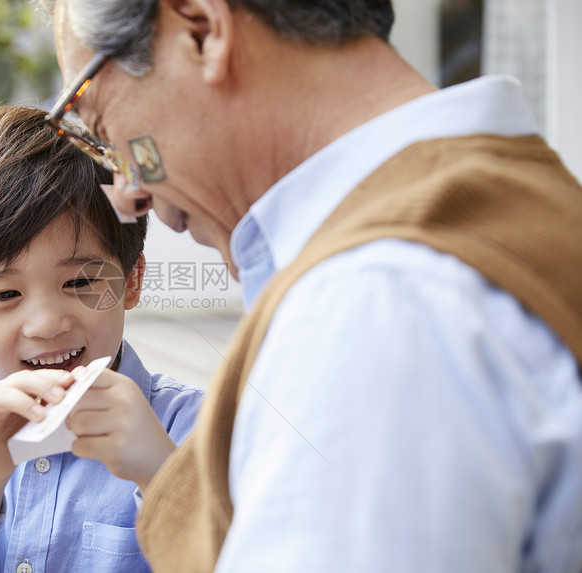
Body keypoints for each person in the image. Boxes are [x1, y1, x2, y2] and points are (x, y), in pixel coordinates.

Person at [40, 0, 582, 571]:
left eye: (100, 125)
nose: (128, 194)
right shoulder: (517, 209)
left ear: (201, 31)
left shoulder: (374, 300)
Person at [0, 105, 203, 572]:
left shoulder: (187, 426)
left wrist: (162, 474)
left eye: (80, 282)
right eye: (5, 293)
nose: (47, 323)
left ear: (130, 281)